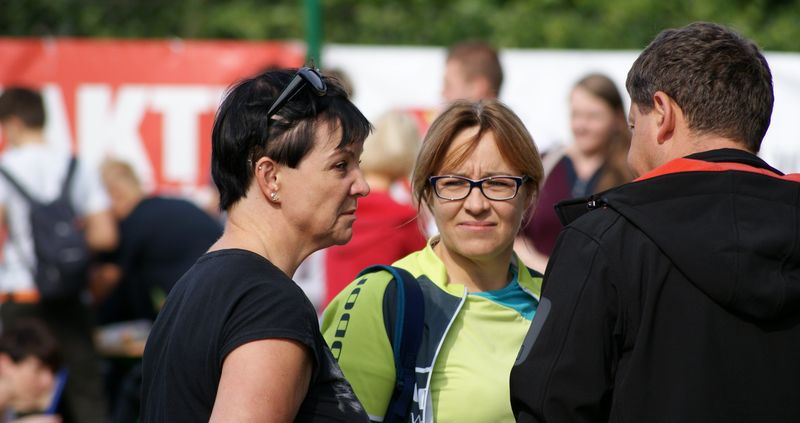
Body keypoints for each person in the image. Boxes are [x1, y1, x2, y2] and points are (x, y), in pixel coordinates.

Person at [510, 21, 800, 422]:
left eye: (633, 126)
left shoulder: (603, 242)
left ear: (662, 114)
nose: (631, 153)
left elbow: (549, 406)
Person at [140, 67, 372, 422]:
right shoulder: (269, 305)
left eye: (358, 164)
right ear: (270, 176)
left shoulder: (194, 287)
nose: (362, 186)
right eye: (341, 165)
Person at [322, 100, 545, 423]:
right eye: (454, 183)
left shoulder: (559, 301)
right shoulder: (379, 298)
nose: (476, 204)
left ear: (530, 194)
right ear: (428, 194)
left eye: (498, 183)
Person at [0, 87, 116, 423]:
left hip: (21, 292)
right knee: (86, 392)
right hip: (70, 294)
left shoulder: (5, 168)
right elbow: (105, 235)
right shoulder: (76, 166)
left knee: (23, 394)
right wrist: (66, 253)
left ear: (14, 123)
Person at [519, 73, 635, 268]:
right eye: (576, 115)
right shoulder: (544, 165)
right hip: (539, 281)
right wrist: (545, 269)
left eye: (593, 116)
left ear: (616, 118)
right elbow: (515, 234)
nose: (581, 126)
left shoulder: (631, 170)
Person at [93, 158, 223, 323]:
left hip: (197, 304)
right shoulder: (175, 205)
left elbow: (108, 278)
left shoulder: (132, 223)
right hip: (222, 291)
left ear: (115, 195)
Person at [321, 109, 426, 307]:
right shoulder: (404, 217)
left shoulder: (334, 206)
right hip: (380, 319)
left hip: (333, 317)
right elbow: (427, 275)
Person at [0, 318, 63, 423]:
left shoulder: (7, 414)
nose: (48, 381)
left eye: (53, 372)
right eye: (39, 369)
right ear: (4, 364)